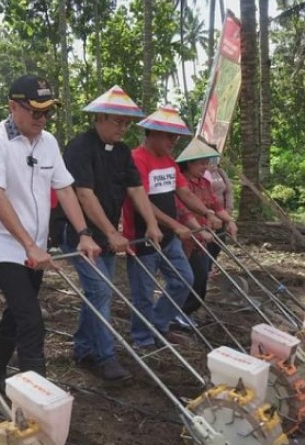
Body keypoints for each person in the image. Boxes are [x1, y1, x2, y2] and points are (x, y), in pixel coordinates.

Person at [0, 74, 100, 393]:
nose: (42, 119)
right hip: (4, 245)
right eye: (35, 112)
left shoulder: (48, 143)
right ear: (13, 107)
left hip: (37, 247)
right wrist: (28, 245)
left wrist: (84, 232)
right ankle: (38, 397)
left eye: (48, 113)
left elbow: (65, 189)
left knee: (17, 315)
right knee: (32, 322)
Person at [52, 86, 162, 381]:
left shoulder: (123, 152)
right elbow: (84, 195)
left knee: (99, 291)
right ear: (99, 118)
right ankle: (105, 356)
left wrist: (151, 224)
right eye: (117, 121)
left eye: (126, 123)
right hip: (76, 231)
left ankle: (84, 347)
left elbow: (136, 189)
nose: (122, 128)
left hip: (105, 233)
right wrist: (113, 233)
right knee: (100, 290)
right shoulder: (79, 148)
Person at [123, 105, 223, 349]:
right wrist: (175, 224)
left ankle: (158, 324)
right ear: (152, 133)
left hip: (169, 237)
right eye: (169, 136)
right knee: (143, 293)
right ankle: (142, 339)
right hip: (143, 236)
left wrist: (207, 212)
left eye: (176, 136)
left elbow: (184, 193)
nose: (174, 141)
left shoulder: (168, 161)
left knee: (184, 279)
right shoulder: (137, 159)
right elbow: (142, 201)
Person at [175, 138, 238, 323]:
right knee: (192, 276)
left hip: (203, 236)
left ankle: (188, 310)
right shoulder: (181, 183)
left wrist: (230, 221)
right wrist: (199, 230)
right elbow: (183, 210)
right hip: (186, 237)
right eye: (202, 163)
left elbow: (215, 204)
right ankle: (178, 311)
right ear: (189, 163)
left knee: (201, 276)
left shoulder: (204, 182)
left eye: (207, 162)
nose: (206, 166)